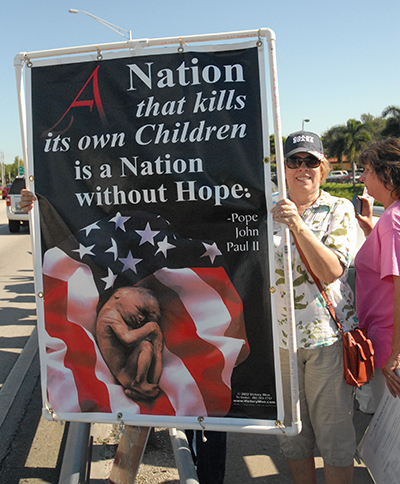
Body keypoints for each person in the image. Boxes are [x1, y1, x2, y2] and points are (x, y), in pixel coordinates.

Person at [271, 131, 359, 484]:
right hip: (281, 342)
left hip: (327, 340)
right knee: (293, 437)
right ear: (284, 168)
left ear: (323, 168)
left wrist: (296, 224)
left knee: (334, 439)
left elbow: (331, 270)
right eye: (295, 160)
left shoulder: (340, 209)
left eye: (311, 161)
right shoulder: (267, 209)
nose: (302, 168)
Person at [354, 138, 400, 410]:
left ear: (385, 174)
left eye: (367, 170)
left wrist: (395, 353)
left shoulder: (393, 220)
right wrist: (370, 229)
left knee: (391, 438)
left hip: (389, 341)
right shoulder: (390, 219)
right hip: (388, 339)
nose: (361, 177)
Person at [96, 286, 163, 400]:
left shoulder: (119, 318)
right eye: (141, 309)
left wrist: (157, 350)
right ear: (120, 293)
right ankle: (139, 382)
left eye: (146, 318)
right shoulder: (110, 314)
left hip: (127, 369)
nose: (142, 318)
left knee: (153, 348)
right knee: (145, 346)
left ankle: (143, 386)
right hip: (123, 373)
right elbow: (127, 339)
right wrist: (150, 326)